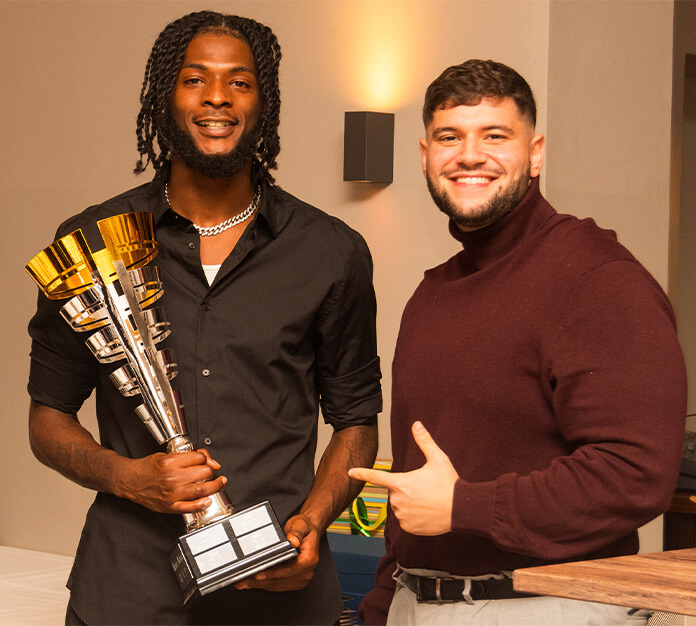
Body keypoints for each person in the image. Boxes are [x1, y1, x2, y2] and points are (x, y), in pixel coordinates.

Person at [28, 10, 381, 625]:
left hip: (282, 601)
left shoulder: (331, 251)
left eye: (239, 82)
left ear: (263, 103)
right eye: (195, 79)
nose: (217, 97)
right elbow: (48, 419)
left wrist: (313, 522)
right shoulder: (93, 242)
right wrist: (127, 477)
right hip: (128, 596)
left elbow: (356, 423)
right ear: (166, 97)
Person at [349, 59, 686, 625]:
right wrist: (384, 603)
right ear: (425, 155)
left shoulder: (598, 279)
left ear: (535, 153)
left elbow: (635, 474)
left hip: (545, 606)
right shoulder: (431, 295)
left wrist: (465, 506)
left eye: (495, 136)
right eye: (449, 137)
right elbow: (416, 484)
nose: (469, 155)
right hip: (418, 602)